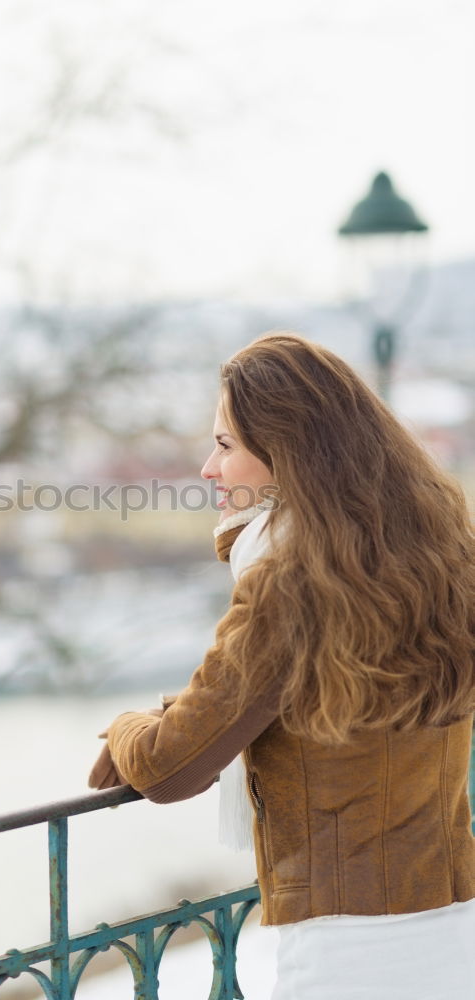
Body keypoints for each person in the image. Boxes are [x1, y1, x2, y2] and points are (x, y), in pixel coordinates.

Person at [88, 331, 475, 999]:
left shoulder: (291, 583)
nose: (209, 468)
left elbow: (170, 766)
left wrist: (125, 729)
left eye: (226, 445)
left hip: (348, 945)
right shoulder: (440, 557)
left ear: (287, 453)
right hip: (452, 916)